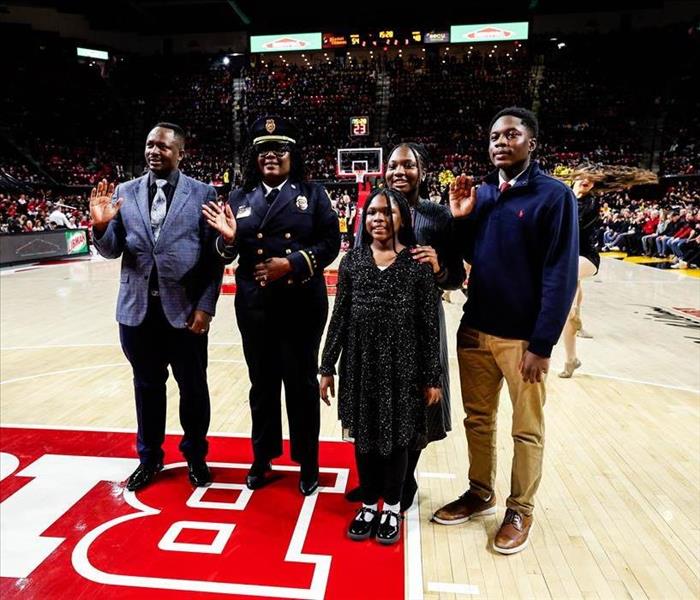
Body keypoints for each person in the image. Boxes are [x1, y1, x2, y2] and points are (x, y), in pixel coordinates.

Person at [433, 107, 578, 555]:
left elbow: (561, 273)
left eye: (511, 134)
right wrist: (459, 219)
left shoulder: (555, 197)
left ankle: (521, 508)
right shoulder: (482, 195)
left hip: (522, 340)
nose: (500, 141)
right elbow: (459, 263)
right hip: (475, 329)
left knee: (526, 429)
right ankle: (481, 492)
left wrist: (543, 343)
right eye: (494, 135)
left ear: (531, 143)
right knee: (478, 421)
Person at [203, 115, 340, 496]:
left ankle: (308, 461)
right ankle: (262, 457)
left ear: (292, 155)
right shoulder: (237, 198)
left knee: (300, 385)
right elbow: (224, 254)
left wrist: (293, 263)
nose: (271, 156)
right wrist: (228, 240)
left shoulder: (313, 194)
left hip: (301, 305)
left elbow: (331, 244)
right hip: (256, 307)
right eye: (263, 150)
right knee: (261, 386)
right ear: (254, 157)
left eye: (279, 149)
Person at [91, 122, 223, 491]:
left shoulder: (203, 193)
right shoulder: (125, 191)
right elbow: (112, 248)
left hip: (184, 312)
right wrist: (101, 228)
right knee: (147, 388)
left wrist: (206, 307)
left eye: (163, 147)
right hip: (137, 313)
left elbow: (215, 259)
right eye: (150, 145)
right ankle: (149, 458)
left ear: (180, 152)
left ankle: (196, 456)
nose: (154, 152)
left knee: (193, 389)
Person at [345, 142, 465, 512]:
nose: (400, 171)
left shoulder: (437, 216)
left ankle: (404, 480)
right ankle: (377, 480)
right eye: (394, 165)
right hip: (374, 328)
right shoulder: (371, 211)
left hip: (421, 326)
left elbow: (456, 277)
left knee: (417, 407)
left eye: (408, 165)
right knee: (375, 403)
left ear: (422, 171)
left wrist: (439, 268)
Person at [319, 188, 442, 545]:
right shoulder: (353, 262)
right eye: (372, 212)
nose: (378, 219)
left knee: (398, 441)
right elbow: (339, 317)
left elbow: (428, 327)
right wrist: (327, 367)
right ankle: (369, 503)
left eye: (386, 213)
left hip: (403, 367)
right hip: (359, 364)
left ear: (401, 217)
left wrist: (431, 376)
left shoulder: (417, 266)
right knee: (365, 442)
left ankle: (392, 506)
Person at [559, 171, 602, 377]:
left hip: (586, 256)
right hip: (565, 258)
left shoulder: (592, 203)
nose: (587, 181)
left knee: (571, 268)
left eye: (591, 179)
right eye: (584, 176)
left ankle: (575, 310)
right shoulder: (563, 196)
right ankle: (571, 359)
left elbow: (575, 226)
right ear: (575, 177)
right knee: (568, 316)